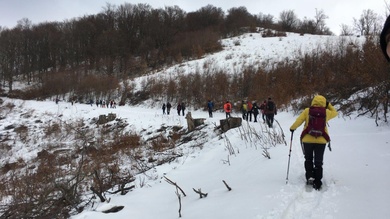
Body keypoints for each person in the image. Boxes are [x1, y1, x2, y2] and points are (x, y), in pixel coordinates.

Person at [289, 95, 338, 190]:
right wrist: (328, 105)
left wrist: (292, 128)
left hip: (307, 139)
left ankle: (310, 177)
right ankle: (318, 181)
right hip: (322, 140)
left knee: (308, 159)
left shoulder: (307, 111)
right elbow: (335, 113)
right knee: (318, 161)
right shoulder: (326, 112)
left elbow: (298, 121)